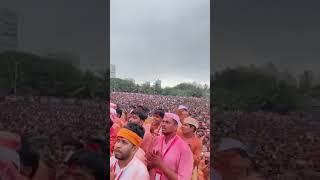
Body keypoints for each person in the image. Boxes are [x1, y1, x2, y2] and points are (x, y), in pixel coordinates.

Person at [147, 113, 193, 180]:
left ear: (176, 127)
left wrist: (161, 166)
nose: (163, 124)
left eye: (167, 122)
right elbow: (147, 164)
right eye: (163, 121)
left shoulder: (184, 148)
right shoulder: (156, 140)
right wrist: (151, 164)